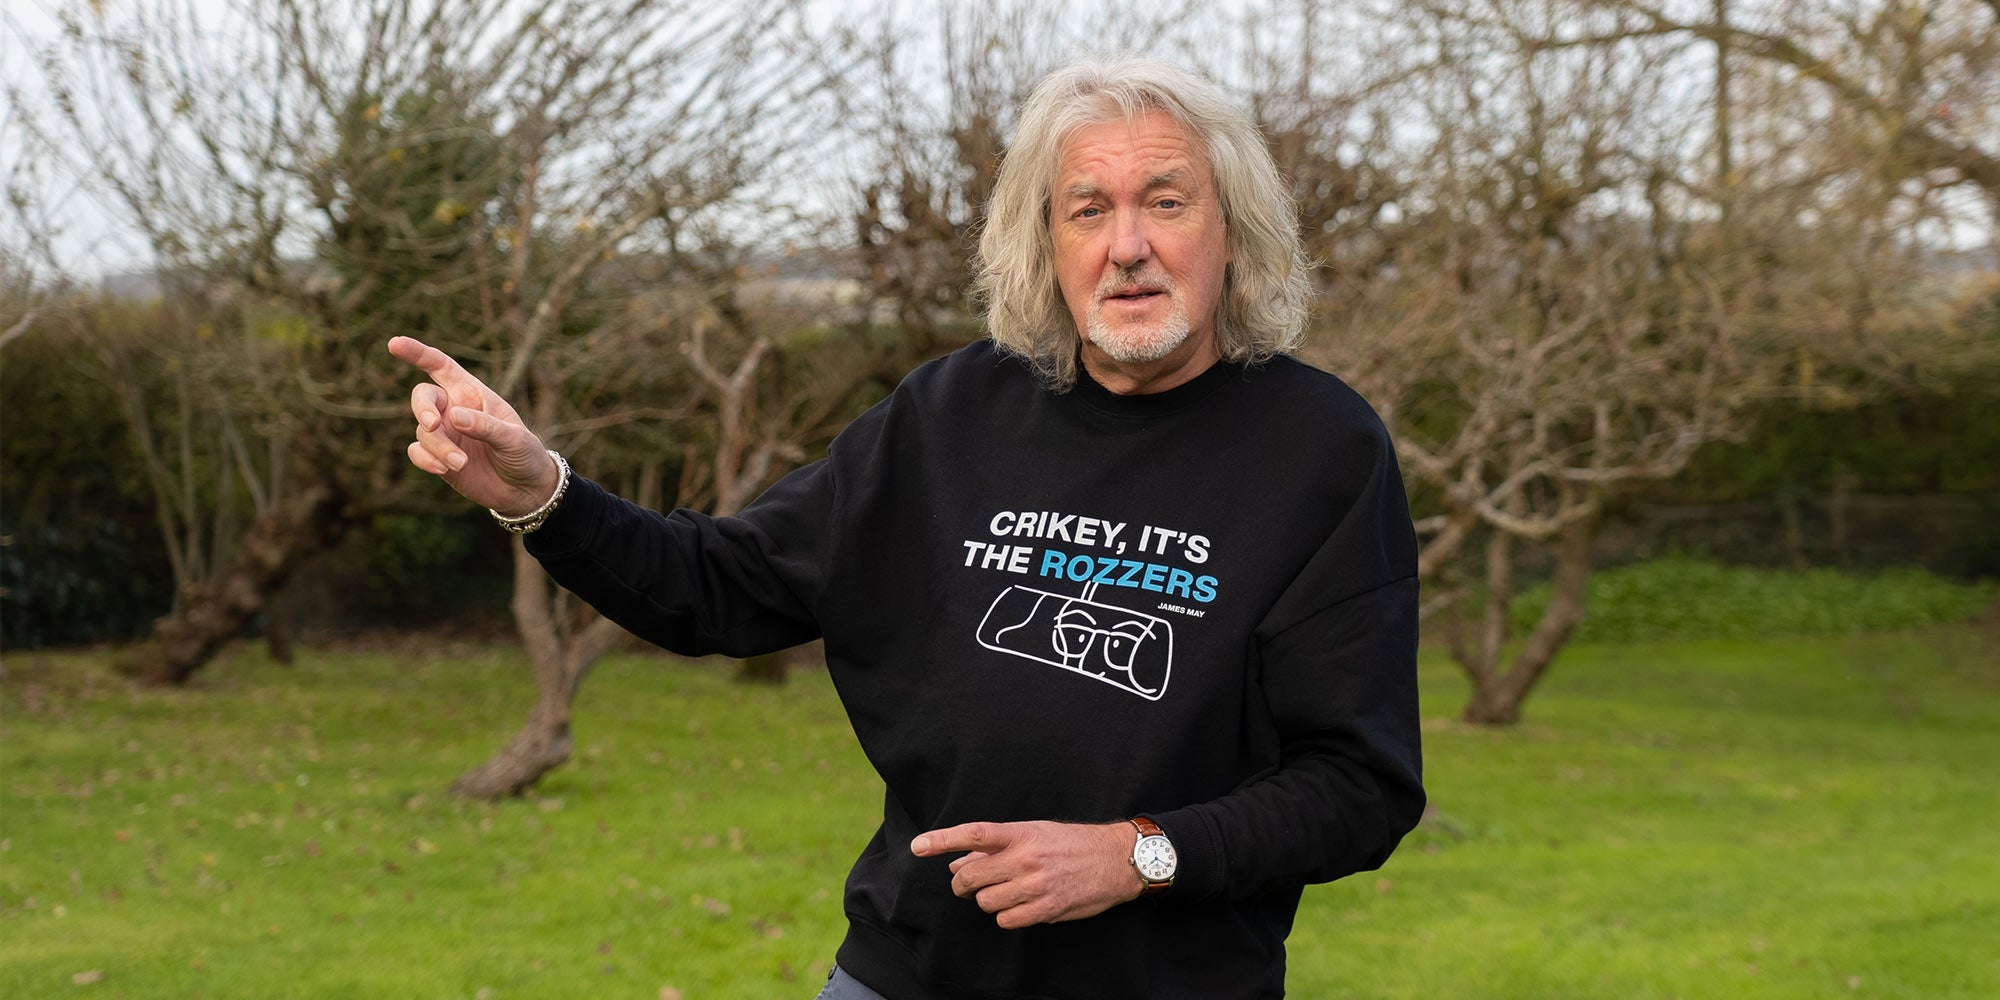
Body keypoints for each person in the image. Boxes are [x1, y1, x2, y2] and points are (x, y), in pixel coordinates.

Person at [391, 53, 1423, 1000]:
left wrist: (1136, 853)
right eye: (1086, 209)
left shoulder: (1319, 452)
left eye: (1165, 201)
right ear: (1044, 241)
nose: (1127, 247)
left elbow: (1359, 786)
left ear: (1232, 229)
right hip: (906, 972)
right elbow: (720, 585)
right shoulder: (950, 413)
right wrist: (540, 491)